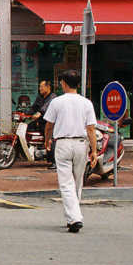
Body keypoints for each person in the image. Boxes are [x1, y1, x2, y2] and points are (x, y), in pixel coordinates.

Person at [43, 70, 98, 233]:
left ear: (64, 84)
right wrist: (94, 150)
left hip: (63, 144)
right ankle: (72, 216)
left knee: (66, 182)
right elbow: (91, 128)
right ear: (79, 84)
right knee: (77, 180)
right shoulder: (86, 103)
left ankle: (74, 218)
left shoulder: (57, 102)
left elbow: (49, 125)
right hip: (82, 143)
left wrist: (47, 140)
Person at [29, 79, 57, 169]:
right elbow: (33, 107)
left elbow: (46, 107)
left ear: (48, 87)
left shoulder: (53, 97)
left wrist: (39, 113)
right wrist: (24, 113)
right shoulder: (40, 97)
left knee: (50, 139)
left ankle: (54, 162)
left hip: (50, 123)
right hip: (40, 122)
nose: (40, 88)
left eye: (41, 86)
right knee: (28, 127)